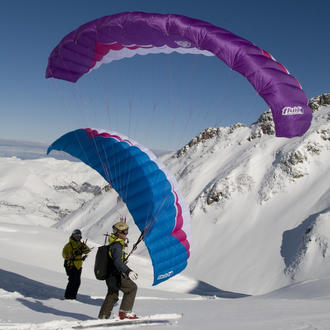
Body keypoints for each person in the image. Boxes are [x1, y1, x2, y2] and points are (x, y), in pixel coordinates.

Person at [98, 221, 138, 320]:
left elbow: (117, 259)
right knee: (132, 288)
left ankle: (103, 316)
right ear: (117, 232)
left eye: (127, 231)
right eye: (124, 232)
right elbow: (117, 262)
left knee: (112, 294)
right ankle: (125, 312)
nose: (126, 234)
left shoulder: (115, 243)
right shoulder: (117, 246)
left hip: (110, 275)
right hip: (116, 274)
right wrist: (128, 271)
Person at [62, 229, 91, 300]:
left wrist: (84, 247)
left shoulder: (81, 244)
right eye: (76, 235)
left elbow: (87, 251)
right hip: (71, 265)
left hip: (78, 265)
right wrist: (68, 257)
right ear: (73, 236)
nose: (77, 237)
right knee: (72, 281)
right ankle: (68, 297)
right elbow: (64, 254)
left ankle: (73, 297)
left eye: (79, 235)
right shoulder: (69, 245)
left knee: (77, 282)